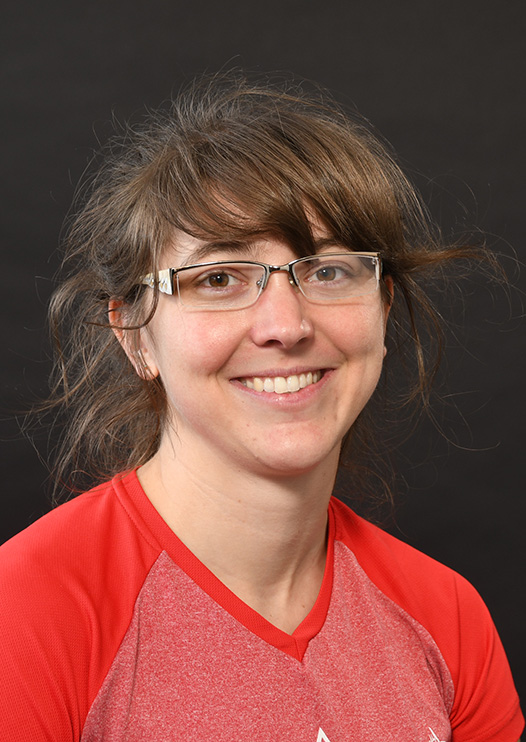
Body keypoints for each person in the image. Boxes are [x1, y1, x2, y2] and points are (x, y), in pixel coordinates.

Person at [0, 74, 523, 742]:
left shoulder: (448, 617)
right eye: (219, 278)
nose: (286, 325)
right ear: (135, 335)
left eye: (329, 271)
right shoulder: (26, 615)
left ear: (384, 309)